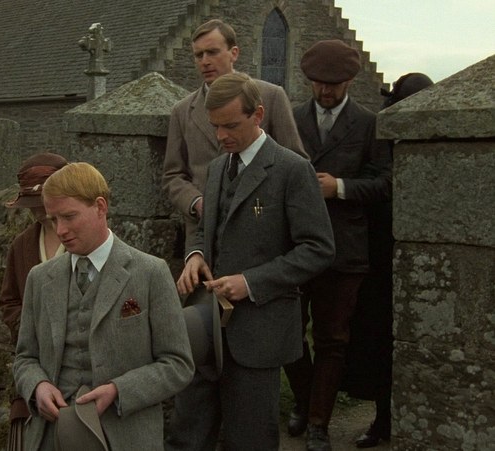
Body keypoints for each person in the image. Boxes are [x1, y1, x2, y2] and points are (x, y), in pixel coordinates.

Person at [161, 18, 308, 451]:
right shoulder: (183, 112)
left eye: (212, 52)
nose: (205, 61)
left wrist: (254, 275)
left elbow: (293, 170)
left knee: (250, 406)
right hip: (205, 258)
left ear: (234, 53)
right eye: (198, 55)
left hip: (260, 259)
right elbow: (173, 175)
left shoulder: (271, 98)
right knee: (195, 396)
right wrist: (198, 213)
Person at [176, 72, 335, 450]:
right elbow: (207, 229)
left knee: (250, 439)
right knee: (187, 435)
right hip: (205, 325)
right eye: (215, 126)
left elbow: (319, 249)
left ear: (258, 115)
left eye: (231, 125)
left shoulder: (292, 169)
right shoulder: (218, 167)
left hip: (259, 334)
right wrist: (195, 256)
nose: (221, 136)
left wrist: (250, 282)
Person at [13, 162, 194, 451]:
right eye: (53, 219)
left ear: (100, 207)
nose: (60, 230)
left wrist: (118, 390)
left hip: (125, 438)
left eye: (69, 217)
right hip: (52, 437)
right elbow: (25, 358)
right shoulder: (40, 278)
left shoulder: (150, 273)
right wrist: (37, 386)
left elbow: (178, 364)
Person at [285, 40, 393, 451]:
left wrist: (340, 187)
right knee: (289, 333)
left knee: (332, 340)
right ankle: (303, 399)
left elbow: (385, 183)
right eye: (317, 83)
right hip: (295, 244)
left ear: (349, 81)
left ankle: (318, 423)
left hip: (344, 249)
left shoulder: (368, 124)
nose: (324, 91)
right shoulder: (291, 118)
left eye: (332, 84)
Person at [342, 72, 433, 448]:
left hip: (416, 261)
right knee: (378, 341)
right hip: (378, 258)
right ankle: (382, 419)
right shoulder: (379, 142)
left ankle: (409, 419)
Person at [0, 152, 68, 450]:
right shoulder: (22, 245)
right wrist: (29, 327)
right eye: (33, 206)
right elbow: (9, 300)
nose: (39, 212)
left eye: (42, 203)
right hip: (33, 369)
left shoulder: (82, 241)